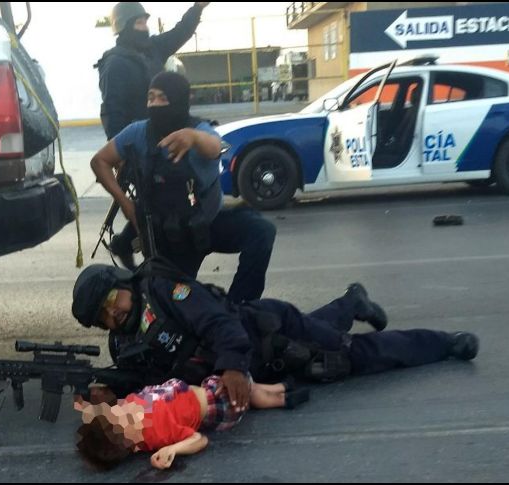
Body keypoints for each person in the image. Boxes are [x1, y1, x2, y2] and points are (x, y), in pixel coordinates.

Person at [71, 260, 480, 413]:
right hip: (261, 368)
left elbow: (219, 324)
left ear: (122, 282)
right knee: (324, 339)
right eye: (102, 317)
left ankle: (446, 343)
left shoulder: (163, 292)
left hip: (270, 331)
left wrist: (231, 366)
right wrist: (114, 393)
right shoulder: (124, 346)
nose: (113, 313)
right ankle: (352, 302)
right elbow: (155, 386)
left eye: (112, 300)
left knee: (350, 356)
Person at [90, 72, 276, 304]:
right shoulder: (139, 132)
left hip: (208, 222)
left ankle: (239, 307)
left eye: (163, 98)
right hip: (172, 239)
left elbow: (214, 147)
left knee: (262, 231)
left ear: (178, 100)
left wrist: (193, 138)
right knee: (177, 305)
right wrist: (127, 206)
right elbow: (99, 161)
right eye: (151, 97)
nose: (155, 104)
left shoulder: (199, 129)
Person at [94, 2, 210, 272]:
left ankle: (128, 244)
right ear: (123, 26)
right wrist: (120, 153)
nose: (145, 27)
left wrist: (197, 8)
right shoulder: (116, 63)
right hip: (139, 144)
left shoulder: (152, 49)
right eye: (138, 23)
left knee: (161, 199)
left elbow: (181, 32)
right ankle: (158, 269)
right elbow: (112, 111)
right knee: (155, 203)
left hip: (164, 138)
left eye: (146, 22)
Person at [74, 374, 309, 469]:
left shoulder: (129, 408)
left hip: (207, 387)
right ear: (130, 441)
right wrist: (172, 449)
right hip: (218, 406)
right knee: (249, 394)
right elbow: (199, 439)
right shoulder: (158, 434)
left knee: (248, 386)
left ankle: (282, 386)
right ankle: (282, 398)